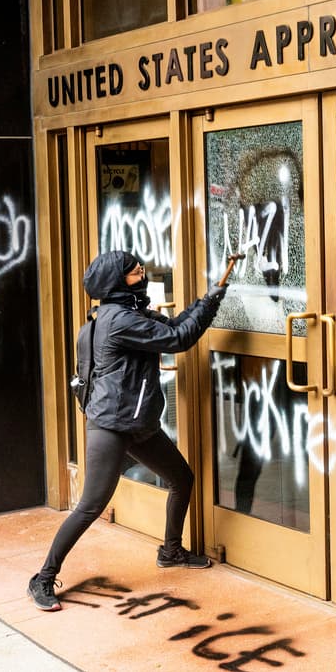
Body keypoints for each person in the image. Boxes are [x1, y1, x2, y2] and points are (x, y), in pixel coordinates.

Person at [27, 250, 228, 612]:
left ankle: (170, 551)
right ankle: (42, 577)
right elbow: (180, 339)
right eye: (134, 272)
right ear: (117, 283)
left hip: (137, 422)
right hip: (111, 425)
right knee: (90, 505)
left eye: (139, 268)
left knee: (181, 478)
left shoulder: (127, 313)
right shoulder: (119, 319)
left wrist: (206, 299)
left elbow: (172, 326)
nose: (142, 273)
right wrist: (212, 303)